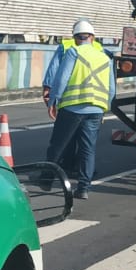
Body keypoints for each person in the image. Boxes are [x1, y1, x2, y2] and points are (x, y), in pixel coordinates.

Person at [46, 18, 114, 200]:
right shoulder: (105, 57)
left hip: (72, 108)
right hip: (96, 109)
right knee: (88, 149)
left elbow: (61, 78)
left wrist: (53, 101)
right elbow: (112, 88)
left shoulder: (73, 52)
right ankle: (83, 188)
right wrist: (105, 107)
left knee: (57, 145)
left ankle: (46, 180)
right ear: (93, 37)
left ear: (76, 38)